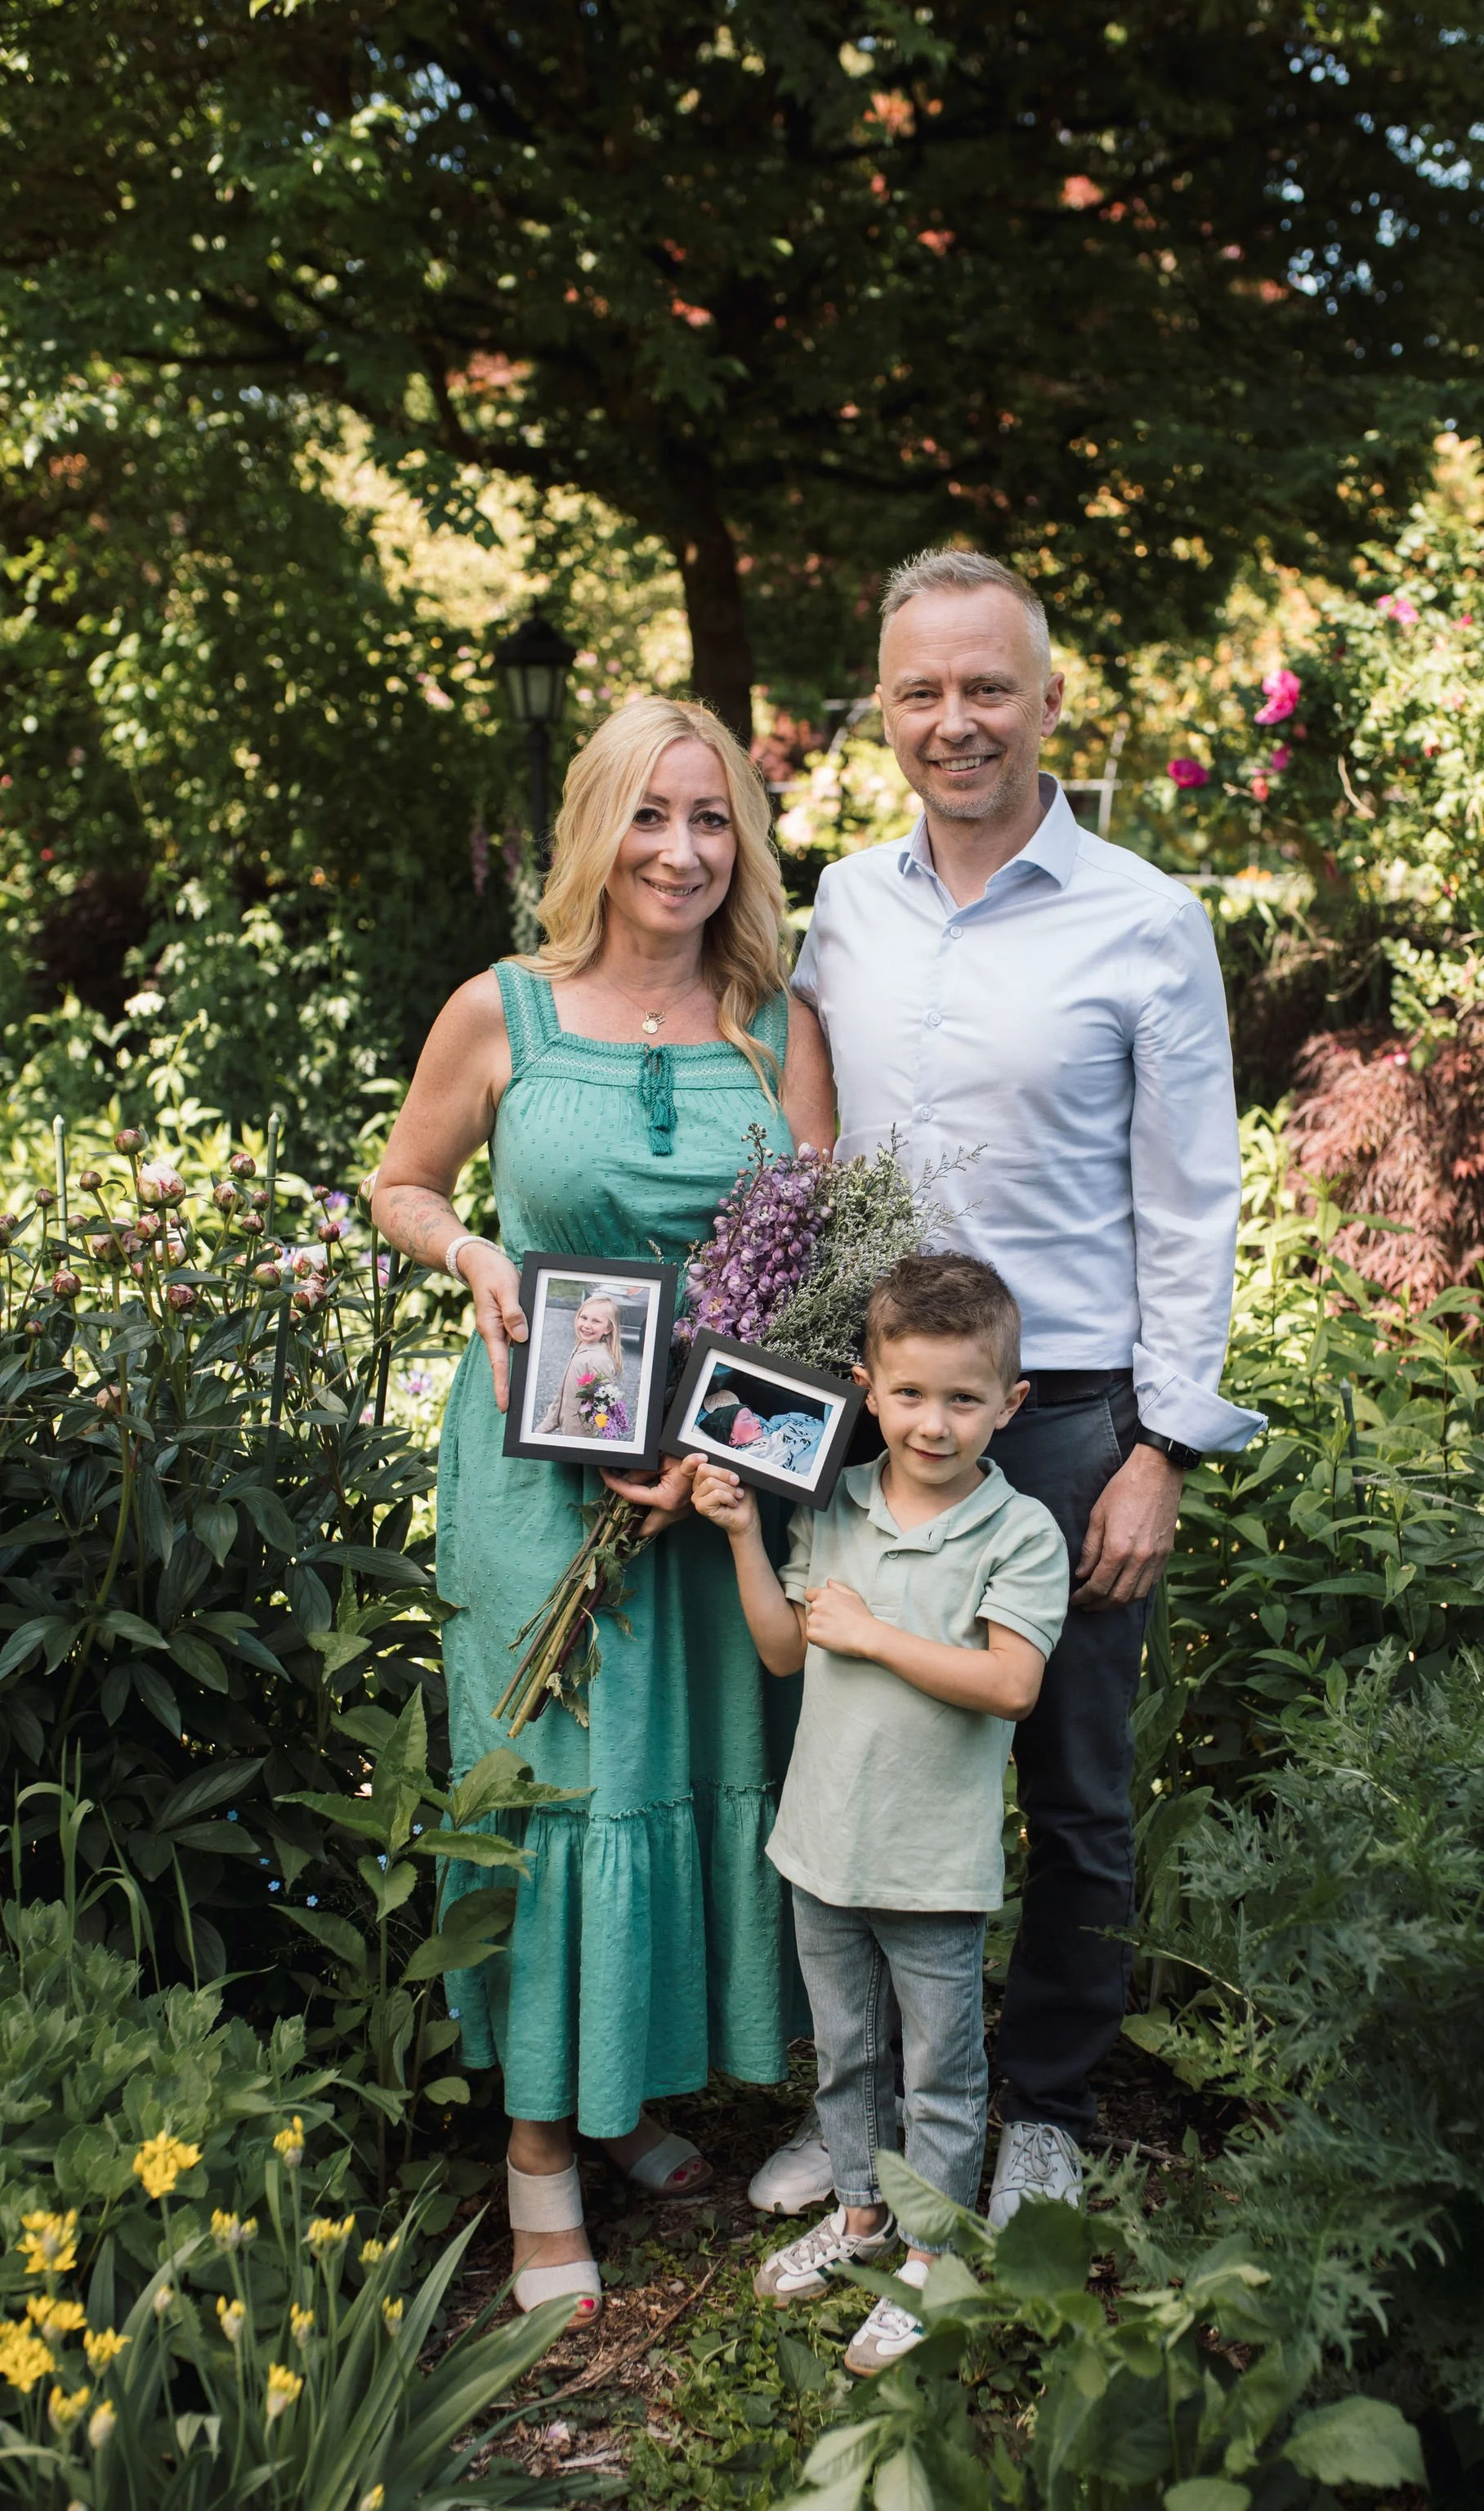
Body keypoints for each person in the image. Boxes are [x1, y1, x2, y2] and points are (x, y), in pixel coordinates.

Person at [753, 547, 1263, 2227]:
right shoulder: (844, 903)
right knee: (852, 1752)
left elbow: (1193, 1198)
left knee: (1073, 1785)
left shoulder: (1146, 920)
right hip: (865, 1411)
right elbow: (799, 1114)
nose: (954, 722)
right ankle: (865, 2116)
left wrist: (1159, 1448)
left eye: (988, 688)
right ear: (882, 710)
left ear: (1049, 703)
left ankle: (1039, 2106)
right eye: (921, 692)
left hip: (1060, 1423)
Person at [371, 694, 836, 2318]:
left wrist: (719, 1452)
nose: (684, 852)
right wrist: (477, 1256)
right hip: (530, 1464)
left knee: (685, 1764)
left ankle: (622, 2090)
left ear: (744, 841)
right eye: (652, 816)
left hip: (705, 1473)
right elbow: (400, 1186)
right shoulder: (502, 1011)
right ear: (595, 831)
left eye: (713, 820)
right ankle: (537, 2153)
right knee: (556, 1781)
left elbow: (814, 1274)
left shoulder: (777, 1027)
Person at [694, 1255, 1069, 2372]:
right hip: (822, 1846)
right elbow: (780, 1648)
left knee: (940, 2077)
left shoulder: (1021, 1535)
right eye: (909, 1395)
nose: (935, 1424)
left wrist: (872, 1637)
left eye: (964, 1399)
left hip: (931, 1866)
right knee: (849, 2061)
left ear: (1011, 1404)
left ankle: (932, 2259)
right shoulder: (840, 1502)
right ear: (866, 1390)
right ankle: (860, 2215)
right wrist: (742, 1538)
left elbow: (1011, 1685)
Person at [536, 1290, 629, 1438]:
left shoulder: (600, 1359)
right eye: (584, 1318)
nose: (587, 1325)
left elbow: (604, 1399)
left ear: (608, 1329)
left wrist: (600, 1426)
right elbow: (566, 1390)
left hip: (580, 1428)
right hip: (564, 1416)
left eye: (596, 1321)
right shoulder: (582, 1346)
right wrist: (551, 1419)